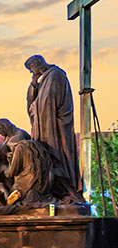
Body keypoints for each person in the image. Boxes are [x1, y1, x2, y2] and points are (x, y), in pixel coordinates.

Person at [25, 55, 80, 196]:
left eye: (32, 70)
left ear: (38, 65)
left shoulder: (55, 75)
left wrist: (35, 107)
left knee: (58, 157)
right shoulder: (45, 79)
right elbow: (37, 101)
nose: (33, 73)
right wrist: (34, 85)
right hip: (45, 124)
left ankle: (65, 189)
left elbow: (47, 102)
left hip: (55, 127)